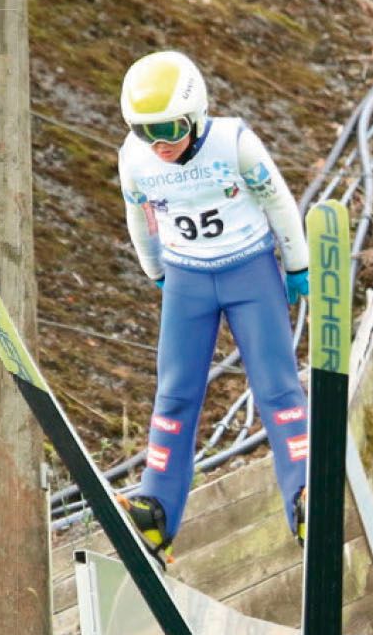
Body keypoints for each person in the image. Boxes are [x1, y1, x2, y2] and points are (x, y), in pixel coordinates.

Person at [117, 50, 311, 558]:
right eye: (144, 132)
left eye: (169, 130)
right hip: (187, 278)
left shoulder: (234, 142)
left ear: (196, 114)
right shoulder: (134, 158)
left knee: (276, 386)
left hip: (249, 270)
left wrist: (296, 264)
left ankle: (305, 493)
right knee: (175, 394)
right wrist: (155, 270)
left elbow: (278, 201)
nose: (158, 145)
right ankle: (157, 507)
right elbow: (139, 216)